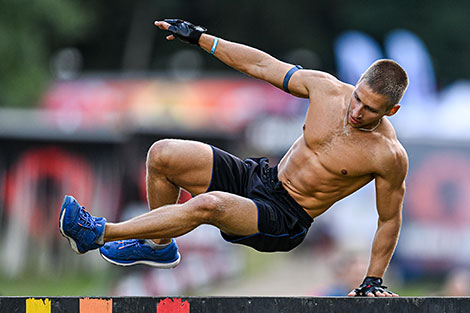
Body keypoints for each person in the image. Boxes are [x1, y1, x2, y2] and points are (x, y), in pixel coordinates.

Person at [59, 19, 409, 297]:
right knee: (162, 155)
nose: (357, 111)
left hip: (286, 218)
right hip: (261, 177)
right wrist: (200, 39)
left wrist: (373, 280)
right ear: (358, 82)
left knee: (210, 205)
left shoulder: (387, 155)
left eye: (370, 109)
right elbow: (260, 64)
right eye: (358, 98)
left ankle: (99, 232)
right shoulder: (327, 89)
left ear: (391, 109)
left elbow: (389, 220)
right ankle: (157, 246)